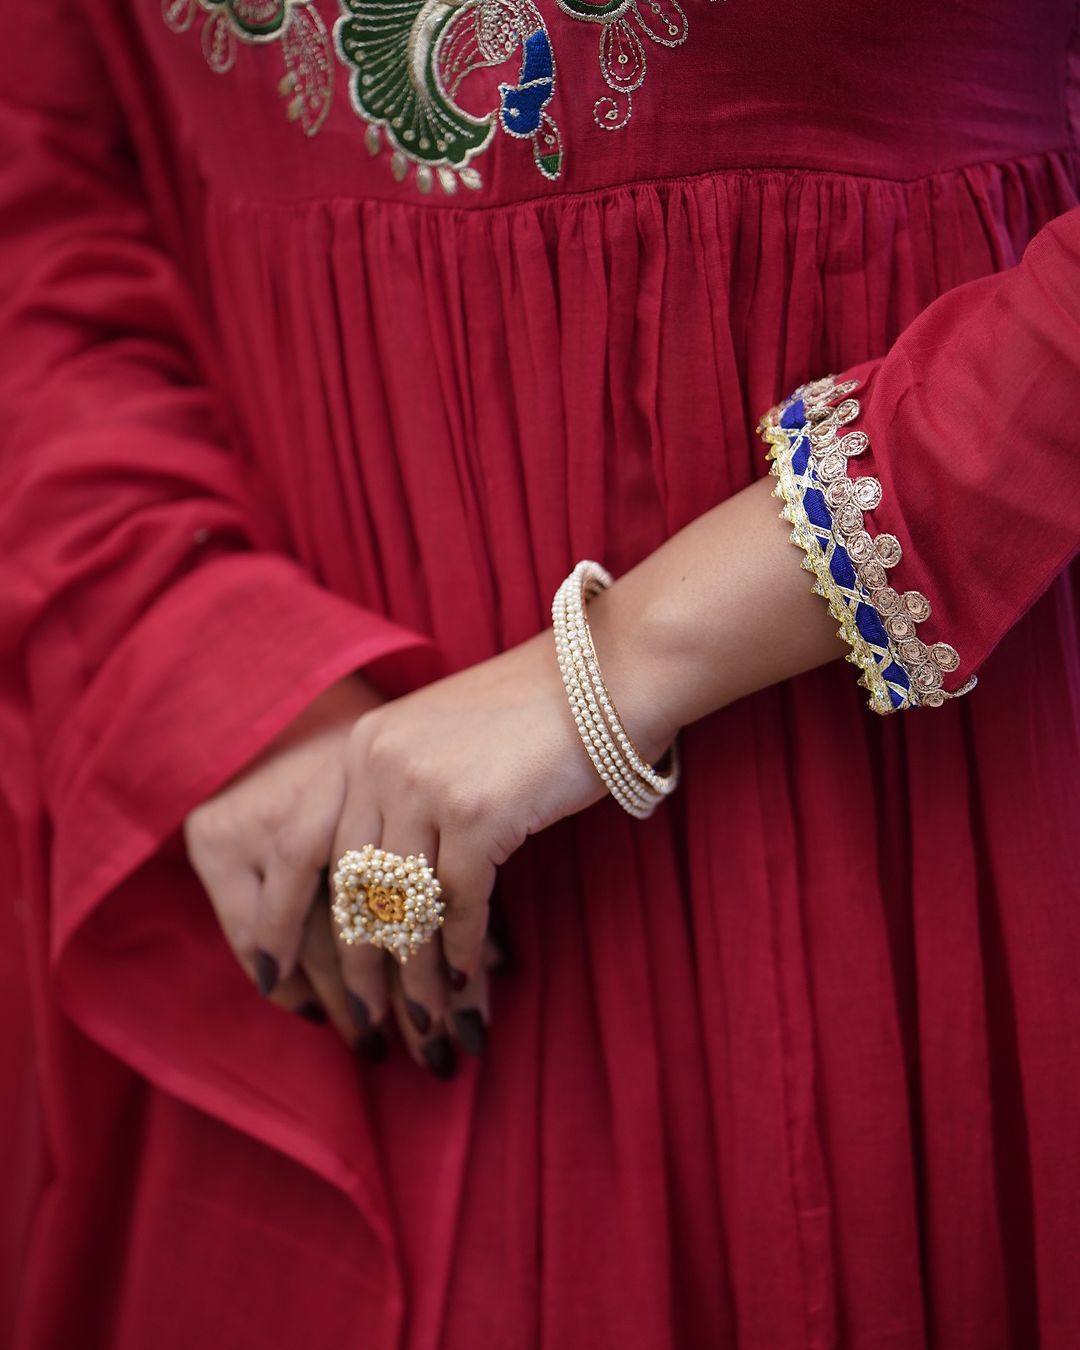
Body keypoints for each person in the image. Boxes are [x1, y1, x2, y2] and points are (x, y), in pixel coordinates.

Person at [2, 0, 1078, 1344]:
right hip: (304, 879)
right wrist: (219, 669)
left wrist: (625, 660)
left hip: (884, 809)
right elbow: (38, 188)